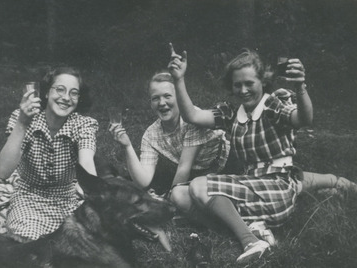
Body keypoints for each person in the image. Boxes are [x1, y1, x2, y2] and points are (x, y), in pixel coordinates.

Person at [167, 45, 357, 263]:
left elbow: (303, 119)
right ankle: (252, 228)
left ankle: (250, 240)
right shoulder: (232, 113)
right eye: (237, 85)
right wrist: (178, 79)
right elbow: (192, 115)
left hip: (277, 188)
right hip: (252, 186)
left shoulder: (272, 106)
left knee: (200, 186)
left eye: (250, 83)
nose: (243, 90)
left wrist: (300, 87)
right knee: (178, 195)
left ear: (262, 82)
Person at [0, 66, 98, 241]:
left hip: (68, 201)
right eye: (60, 89)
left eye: (74, 93)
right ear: (45, 93)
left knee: (80, 245)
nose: (66, 98)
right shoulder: (23, 118)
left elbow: (87, 162)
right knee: (29, 245)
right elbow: (3, 171)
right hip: (28, 198)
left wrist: (92, 191)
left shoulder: (84, 124)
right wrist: (22, 123)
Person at [109, 71, 229, 217]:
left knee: (194, 200)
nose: (162, 103)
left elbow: (183, 168)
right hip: (197, 171)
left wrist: (169, 201)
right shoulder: (151, 134)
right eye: (155, 98)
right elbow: (143, 181)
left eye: (167, 96)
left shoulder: (191, 121)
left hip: (226, 162)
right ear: (150, 103)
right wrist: (127, 146)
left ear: (179, 98)